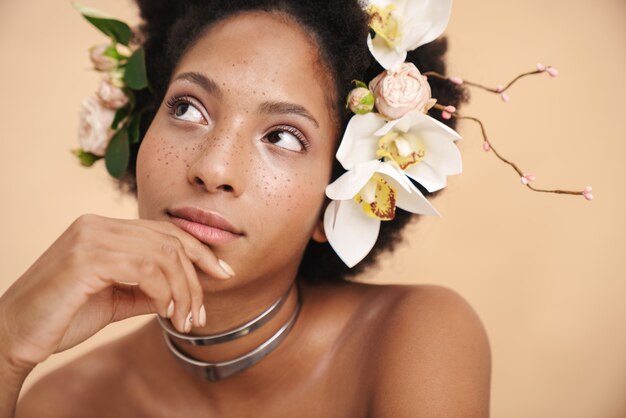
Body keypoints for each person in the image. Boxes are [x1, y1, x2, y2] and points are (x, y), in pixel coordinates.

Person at [0, 0, 491, 416]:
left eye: (283, 136)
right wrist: (6, 348)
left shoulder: (416, 340)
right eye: (188, 109)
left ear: (337, 195)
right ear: (143, 127)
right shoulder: (62, 403)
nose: (213, 169)